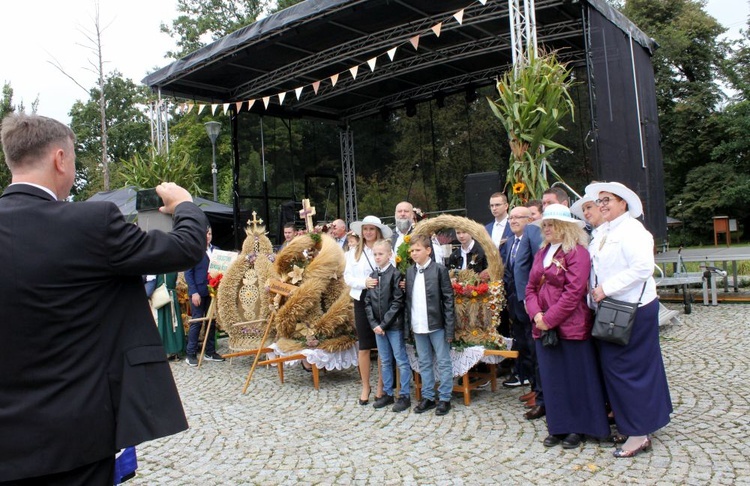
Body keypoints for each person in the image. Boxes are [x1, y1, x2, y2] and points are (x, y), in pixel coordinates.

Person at [0, 113, 206, 484]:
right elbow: (183, 248)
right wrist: (185, 205)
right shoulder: (88, 223)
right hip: (76, 434)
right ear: (60, 159)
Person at [586, 181, 672, 458]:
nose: (602, 205)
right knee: (616, 369)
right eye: (600, 201)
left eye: (607, 200)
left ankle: (639, 433)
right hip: (613, 309)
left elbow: (643, 267)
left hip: (633, 309)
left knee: (630, 371)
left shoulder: (633, 230)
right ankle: (632, 423)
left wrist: (605, 289)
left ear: (624, 203)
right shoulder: (606, 231)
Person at [525, 204, 610, 449]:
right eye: (545, 225)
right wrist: (537, 315)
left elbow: (573, 292)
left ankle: (579, 427)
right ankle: (558, 425)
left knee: (575, 377)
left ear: (565, 227)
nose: (546, 228)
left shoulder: (577, 253)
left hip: (571, 326)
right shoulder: (541, 253)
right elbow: (530, 288)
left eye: (551, 224)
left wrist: (549, 318)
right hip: (543, 326)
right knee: (552, 380)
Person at [405, 234, 455, 416]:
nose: (414, 253)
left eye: (418, 250)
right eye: (412, 250)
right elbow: (409, 301)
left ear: (428, 250)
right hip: (418, 324)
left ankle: (445, 398)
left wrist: (450, 328)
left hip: (436, 323)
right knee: (424, 362)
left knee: (443, 361)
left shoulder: (439, 270)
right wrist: (408, 326)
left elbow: (448, 300)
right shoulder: (410, 272)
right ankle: (428, 396)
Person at [345, 215, 390, 405]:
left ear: (378, 231)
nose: (368, 232)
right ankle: (365, 385)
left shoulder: (386, 250)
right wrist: (364, 282)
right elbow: (347, 278)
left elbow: (391, 271)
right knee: (363, 346)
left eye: (372, 229)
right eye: (366, 229)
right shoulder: (353, 252)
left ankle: (381, 385)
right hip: (362, 299)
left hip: (381, 299)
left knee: (381, 346)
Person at [364, 239, 411, 413]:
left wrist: (384, 324)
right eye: (375, 254)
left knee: (400, 360)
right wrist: (375, 324)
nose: (377, 257)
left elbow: (397, 302)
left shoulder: (395, 274)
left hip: (393, 326)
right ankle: (388, 393)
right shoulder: (373, 276)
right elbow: (368, 302)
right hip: (379, 327)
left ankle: (404, 394)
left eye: (381, 254)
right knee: (384, 361)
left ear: (389, 255)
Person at [501, 207, 542, 398]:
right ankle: (531, 385)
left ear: (529, 219)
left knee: (534, 347)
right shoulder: (510, 242)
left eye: (518, 217)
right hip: (515, 303)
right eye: (511, 218)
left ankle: (539, 390)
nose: (513, 221)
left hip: (530, 302)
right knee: (523, 345)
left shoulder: (535, 239)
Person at [184, 226, 225, 367]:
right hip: (198, 291)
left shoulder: (216, 250)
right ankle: (190, 353)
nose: (208, 236)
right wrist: (194, 292)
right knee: (197, 321)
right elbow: (188, 273)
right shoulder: (194, 251)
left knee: (211, 322)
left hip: (211, 291)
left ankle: (210, 351)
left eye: (210, 233)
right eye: (206, 234)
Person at [155, 272, 185, 361]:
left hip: (164, 295)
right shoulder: (172, 265)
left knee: (168, 322)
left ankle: (169, 350)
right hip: (165, 296)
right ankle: (173, 350)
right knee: (171, 323)